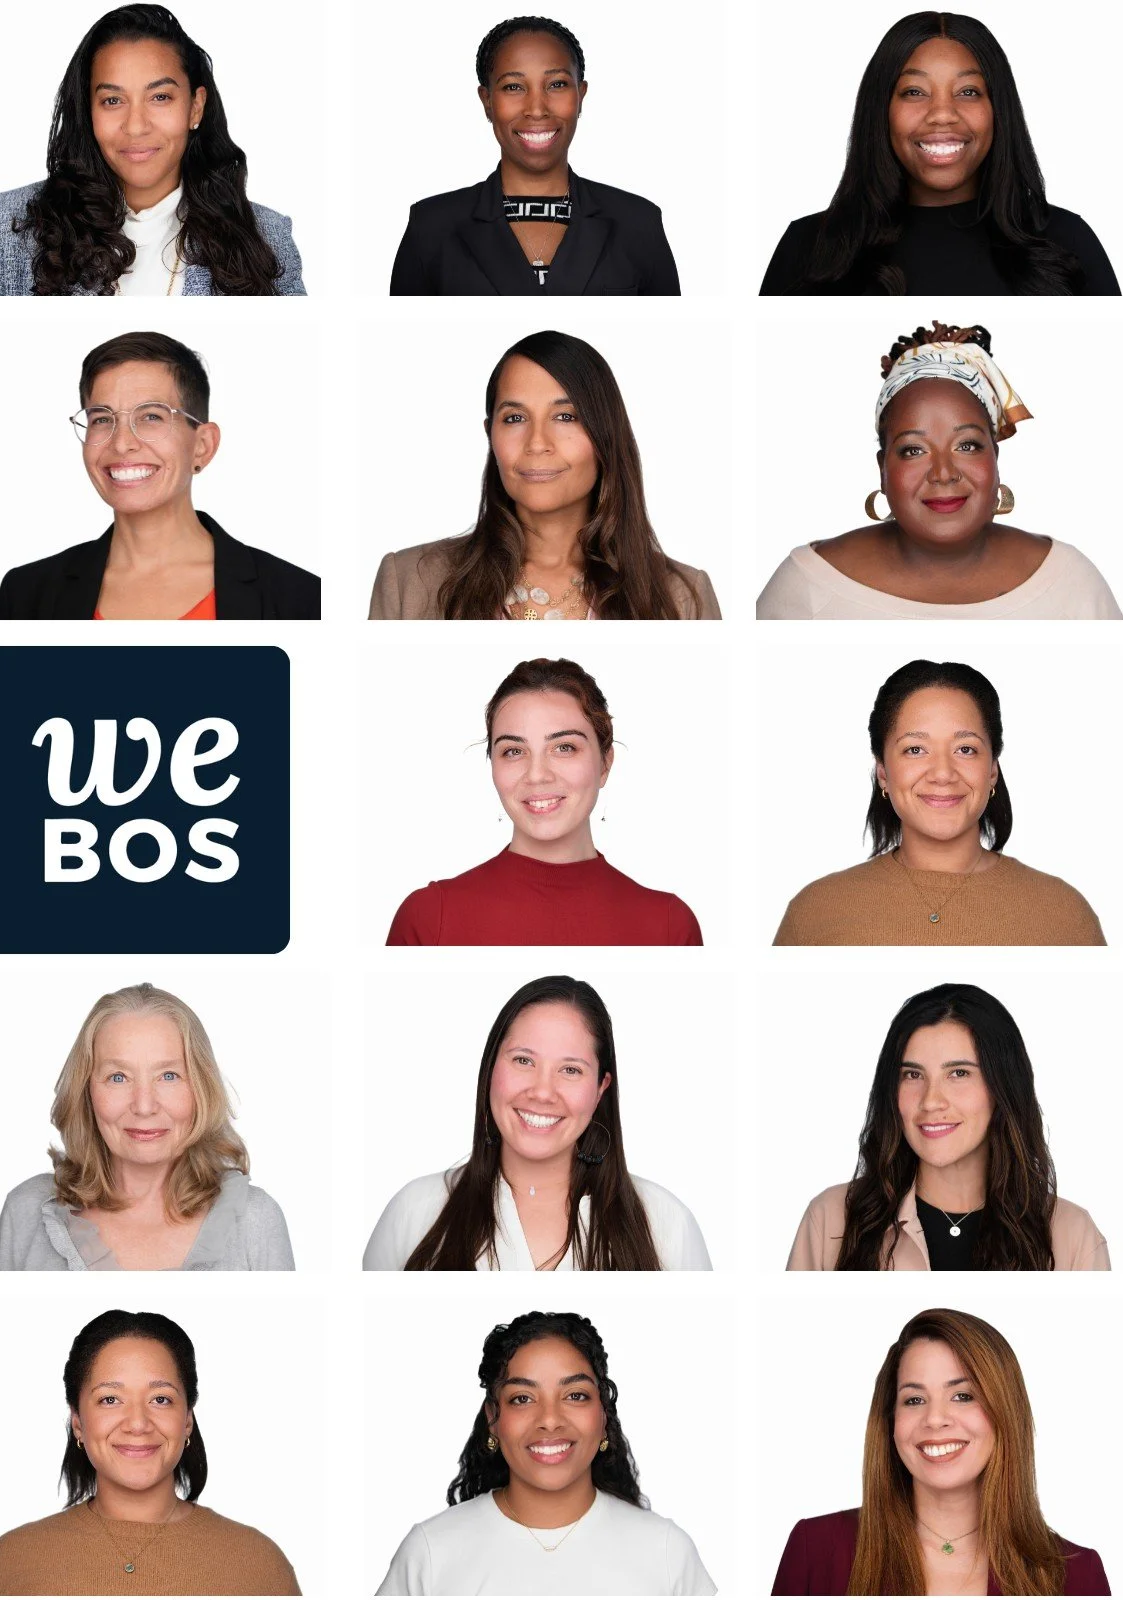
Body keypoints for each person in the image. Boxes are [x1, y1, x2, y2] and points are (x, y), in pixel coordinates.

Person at [758, 323, 1120, 618]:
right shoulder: (804, 586)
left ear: (994, 458)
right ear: (883, 468)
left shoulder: (1073, 584)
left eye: (967, 445)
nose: (943, 473)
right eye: (914, 450)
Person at [0, 5, 304, 296]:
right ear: (87, 112)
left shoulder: (267, 236)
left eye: (160, 97)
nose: (136, 126)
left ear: (195, 107)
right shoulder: (10, 226)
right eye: (112, 100)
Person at [364, 976, 709, 1271]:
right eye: (524, 1060)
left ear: (601, 1088)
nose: (543, 1092)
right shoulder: (414, 1212)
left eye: (570, 1070)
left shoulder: (667, 1225)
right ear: (490, 1069)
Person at [761, 14, 1119, 296]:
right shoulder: (809, 247)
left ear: (998, 110)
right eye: (914, 91)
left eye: (968, 91)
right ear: (881, 109)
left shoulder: (1065, 240)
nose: (942, 113)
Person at [369, 331, 717, 619]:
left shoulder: (683, 598)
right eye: (515, 418)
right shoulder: (408, 582)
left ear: (605, 434)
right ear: (491, 434)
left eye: (565, 417)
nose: (537, 443)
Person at [773, 1308, 1111, 1594]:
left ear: (1005, 1411)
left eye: (963, 1396)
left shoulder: (1078, 1577)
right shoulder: (815, 1549)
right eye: (914, 1400)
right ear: (891, 1419)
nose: (935, 1419)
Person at [378, 1311, 714, 1593]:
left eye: (575, 1395)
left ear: (603, 1417)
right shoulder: (431, 1552)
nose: (550, 1420)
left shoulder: (666, 1552)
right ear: (493, 1420)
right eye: (522, 1398)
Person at [773, 659, 1104, 945]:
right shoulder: (815, 911)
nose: (943, 774)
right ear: (883, 772)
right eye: (915, 749)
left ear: (992, 770)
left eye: (966, 749)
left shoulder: (1063, 914)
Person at [0, 331, 320, 618]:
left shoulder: (300, 598)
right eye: (102, 419)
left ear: (203, 445)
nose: (121, 444)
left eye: (151, 416)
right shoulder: (25, 595)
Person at [0, 1310, 299, 1594]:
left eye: (161, 1399)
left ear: (187, 1420)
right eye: (110, 1399)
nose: (138, 1424)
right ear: (78, 1422)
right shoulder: (10, 1563)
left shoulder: (258, 1564)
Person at [787, 984, 1108, 1271]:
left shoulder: (1072, 1236)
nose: (930, 1101)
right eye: (912, 1074)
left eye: (958, 1073)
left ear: (1003, 1087)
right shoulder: (831, 1218)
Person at [386, 658, 702, 945]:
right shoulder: (428, 919)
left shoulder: (670, 926)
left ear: (605, 763)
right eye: (513, 751)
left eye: (564, 748)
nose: (537, 775)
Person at [0, 984, 292, 1271]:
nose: (144, 1106)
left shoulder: (256, 1221)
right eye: (118, 1077)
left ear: (201, 1088)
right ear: (87, 1091)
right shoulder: (25, 1211)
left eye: (169, 1076)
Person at [389, 17, 678, 295]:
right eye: (513, 87)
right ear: (487, 101)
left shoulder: (639, 223)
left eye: (557, 84)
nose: (537, 109)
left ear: (581, 95)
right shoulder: (430, 228)